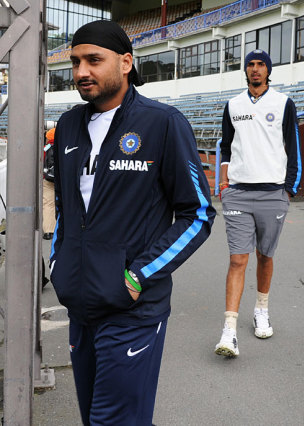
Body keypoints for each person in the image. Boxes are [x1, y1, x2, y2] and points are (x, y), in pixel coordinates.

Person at [50, 20, 216, 425]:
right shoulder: (69, 125)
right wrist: (59, 265)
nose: (81, 72)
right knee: (94, 418)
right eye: (75, 62)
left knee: (115, 421)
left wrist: (139, 275)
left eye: (94, 60)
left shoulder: (162, 123)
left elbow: (197, 214)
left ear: (125, 63)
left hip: (133, 310)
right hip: (80, 306)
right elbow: (66, 211)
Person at [215, 49, 302, 357]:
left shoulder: (283, 103)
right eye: (250, 65)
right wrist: (224, 184)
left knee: (264, 256)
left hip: (273, 193)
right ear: (246, 70)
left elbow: (293, 146)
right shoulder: (233, 104)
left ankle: (261, 309)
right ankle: (229, 332)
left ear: (268, 70)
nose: (254, 69)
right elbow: (225, 146)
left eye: (260, 65)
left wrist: (288, 189)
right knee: (238, 260)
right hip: (238, 192)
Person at [43, 127, 56, 240]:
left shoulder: (46, 148)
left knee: (48, 204)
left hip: (48, 180)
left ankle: (49, 231)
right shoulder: (65, 145)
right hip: (63, 180)